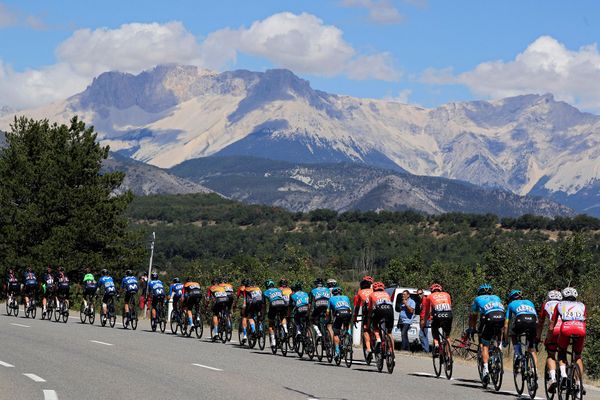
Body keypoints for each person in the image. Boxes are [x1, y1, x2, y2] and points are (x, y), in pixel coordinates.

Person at [550, 287, 587, 392]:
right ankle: (579, 383)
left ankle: (563, 374)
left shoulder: (559, 305)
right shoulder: (582, 305)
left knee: (562, 351)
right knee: (578, 355)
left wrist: (549, 336)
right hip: (580, 329)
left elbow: (552, 324)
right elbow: (584, 321)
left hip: (566, 328)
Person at [468, 283, 505, 385]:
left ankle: (485, 371)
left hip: (489, 318)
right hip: (501, 317)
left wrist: (472, 329)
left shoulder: (477, 299)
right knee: (498, 330)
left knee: (485, 345)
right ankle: (499, 348)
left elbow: (473, 316)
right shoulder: (496, 297)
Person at [504, 289, 538, 375]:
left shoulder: (511, 304)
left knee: (513, 334)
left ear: (511, 298)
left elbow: (506, 324)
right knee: (532, 349)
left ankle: (518, 353)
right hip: (533, 322)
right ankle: (535, 371)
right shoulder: (530, 302)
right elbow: (536, 318)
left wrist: (505, 338)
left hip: (521, 320)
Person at [537, 290, 563, 393]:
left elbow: (540, 323)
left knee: (551, 354)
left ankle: (553, 378)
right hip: (568, 329)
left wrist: (538, 337)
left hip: (554, 330)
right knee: (563, 352)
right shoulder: (564, 304)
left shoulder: (546, 304)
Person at [421, 283, 452, 356]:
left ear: (432, 291)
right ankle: (449, 355)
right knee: (447, 336)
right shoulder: (447, 294)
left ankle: (437, 344)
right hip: (448, 315)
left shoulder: (429, 296)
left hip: (437, 315)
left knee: (434, 329)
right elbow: (450, 306)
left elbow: (427, 312)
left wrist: (424, 322)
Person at [368, 281, 394, 353]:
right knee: (389, 332)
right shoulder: (386, 294)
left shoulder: (372, 294)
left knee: (375, 325)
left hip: (379, 308)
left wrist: (370, 318)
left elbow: (370, 309)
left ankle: (378, 338)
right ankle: (391, 352)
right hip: (389, 309)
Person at [263, 279, 287, 351]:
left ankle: (273, 343)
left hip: (273, 305)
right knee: (282, 317)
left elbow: (264, 305)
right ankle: (285, 330)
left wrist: (264, 313)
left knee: (271, 323)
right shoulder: (278, 290)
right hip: (282, 303)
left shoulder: (265, 292)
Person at [329, 287, 352, 359]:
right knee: (347, 324)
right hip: (348, 312)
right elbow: (349, 307)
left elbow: (328, 311)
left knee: (336, 333)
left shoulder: (331, 299)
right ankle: (348, 336)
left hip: (339, 313)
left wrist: (328, 319)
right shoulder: (346, 297)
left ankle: (337, 351)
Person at [353, 275, 374, 357]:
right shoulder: (374, 289)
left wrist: (355, 318)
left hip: (367, 311)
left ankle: (368, 349)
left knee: (366, 329)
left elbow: (357, 306)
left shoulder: (360, 291)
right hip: (378, 309)